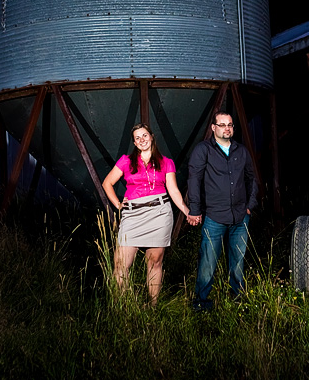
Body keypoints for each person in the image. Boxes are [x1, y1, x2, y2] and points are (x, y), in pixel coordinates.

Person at [102, 122, 190, 305]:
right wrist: (118, 204)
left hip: (159, 213)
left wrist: (188, 212)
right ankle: (124, 308)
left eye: (144, 135)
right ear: (134, 143)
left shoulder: (166, 162)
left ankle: (153, 307)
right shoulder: (126, 161)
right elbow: (107, 183)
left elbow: (173, 191)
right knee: (120, 265)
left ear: (151, 137)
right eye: (137, 138)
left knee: (155, 262)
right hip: (132, 215)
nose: (142, 140)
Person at [187, 111, 258, 311]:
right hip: (214, 217)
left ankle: (238, 301)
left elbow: (252, 178)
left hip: (240, 217)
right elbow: (194, 180)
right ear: (213, 128)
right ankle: (202, 303)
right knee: (208, 263)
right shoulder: (203, 150)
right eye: (222, 124)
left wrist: (250, 205)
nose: (227, 128)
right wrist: (195, 209)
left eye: (230, 125)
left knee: (237, 262)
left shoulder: (241, 151)